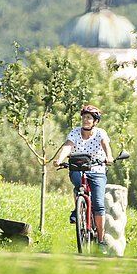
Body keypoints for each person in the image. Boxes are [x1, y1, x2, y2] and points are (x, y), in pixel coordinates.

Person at [54, 104, 114, 253]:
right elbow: (68, 146)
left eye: (89, 118)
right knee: (78, 184)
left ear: (95, 121)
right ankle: (79, 206)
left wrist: (109, 157)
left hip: (97, 169)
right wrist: (59, 159)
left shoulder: (100, 133)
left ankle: (100, 240)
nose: (85, 120)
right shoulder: (75, 132)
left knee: (99, 205)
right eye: (84, 117)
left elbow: (106, 145)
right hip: (78, 168)